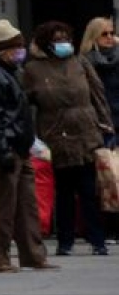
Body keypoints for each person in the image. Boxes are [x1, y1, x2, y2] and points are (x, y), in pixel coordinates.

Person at [23, 20, 114, 256]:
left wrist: (106, 125)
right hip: (56, 136)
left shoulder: (80, 63)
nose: (63, 43)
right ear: (47, 44)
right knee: (63, 191)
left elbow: (97, 94)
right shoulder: (34, 70)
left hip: (86, 134)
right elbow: (24, 103)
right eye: (57, 40)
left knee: (88, 191)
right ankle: (65, 241)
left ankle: (97, 240)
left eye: (66, 38)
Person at [0, 20, 58, 272]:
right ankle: (0, 257)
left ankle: (33, 255)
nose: (21, 52)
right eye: (17, 48)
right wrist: (2, 152)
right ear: (5, 50)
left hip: (19, 147)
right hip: (6, 148)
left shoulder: (10, 73)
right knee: (6, 205)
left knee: (27, 204)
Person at [81, 17, 119, 242]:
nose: (110, 38)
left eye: (112, 33)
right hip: (100, 126)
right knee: (106, 179)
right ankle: (108, 227)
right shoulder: (86, 63)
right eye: (105, 34)